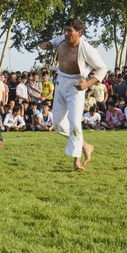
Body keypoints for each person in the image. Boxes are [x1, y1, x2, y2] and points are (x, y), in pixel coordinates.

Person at [39, 18, 106, 171]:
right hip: (61, 82)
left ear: (79, 32)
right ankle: (85, 146)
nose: (66, 33)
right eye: (65, 30)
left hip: (77, 86)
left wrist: (88, 84)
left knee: (75, 123)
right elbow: (53, 43)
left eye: (70, 31)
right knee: (58, 125)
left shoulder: (87, 49)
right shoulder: (62, 39)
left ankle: (77, 161)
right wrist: (48, 45)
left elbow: (103, 68)